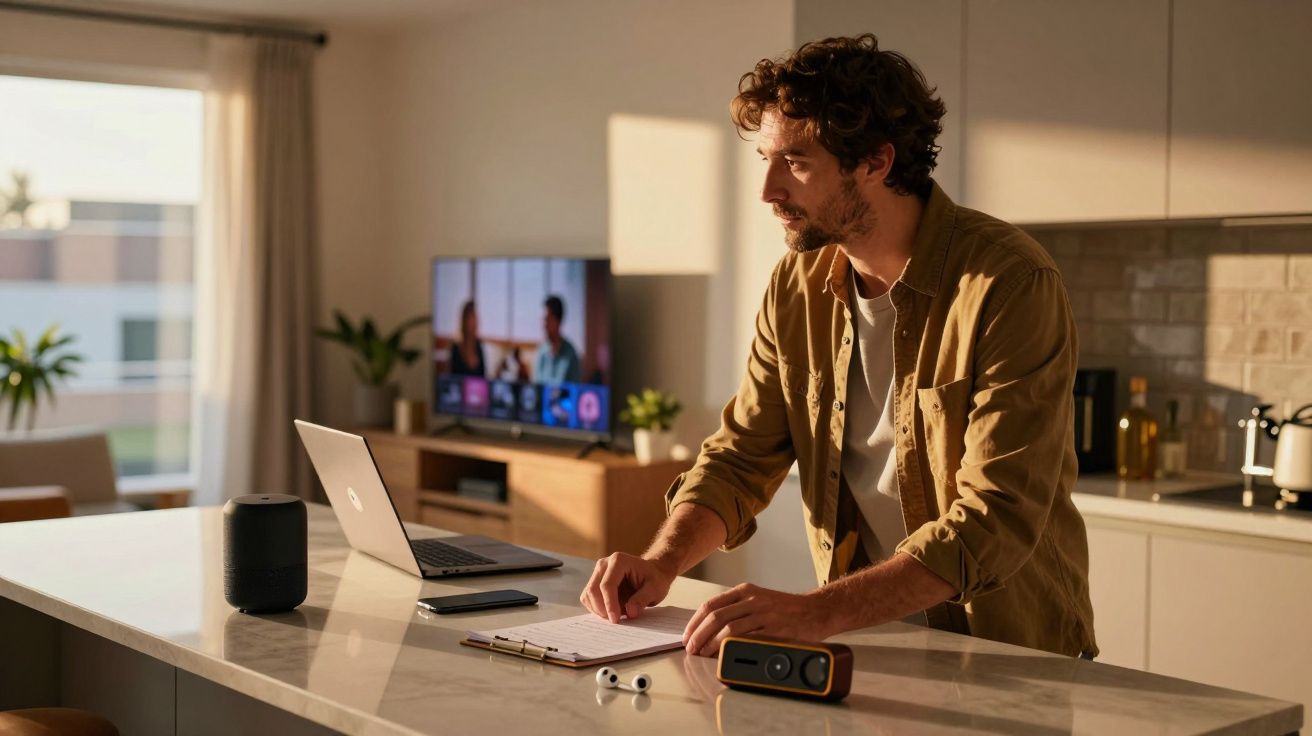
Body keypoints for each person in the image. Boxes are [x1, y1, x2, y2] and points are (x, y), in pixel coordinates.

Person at [579, 34, 1097, 661]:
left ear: (876, 163)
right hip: (864, 642)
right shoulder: (796, 285)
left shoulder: (1008, 283)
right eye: (765, 159)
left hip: (1005, 652)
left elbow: (996, 517)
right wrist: (664, 561)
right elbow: (743, 456)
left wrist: (814, 611)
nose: (768, 190)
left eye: (795, 162)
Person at [533, 295, 581, 384]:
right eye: (543, 320)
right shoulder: (541, 352)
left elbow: (574, 391)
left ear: (558, 321)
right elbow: (537, 387)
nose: (544, 325)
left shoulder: (571, 355)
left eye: (547, 320)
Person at [449, 300, 486, 377]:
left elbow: (483, 378)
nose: (474, 321)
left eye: (475, 317)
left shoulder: (479, 347)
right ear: (464, 321)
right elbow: (452, 379)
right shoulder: (456, 348)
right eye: (471, 317)